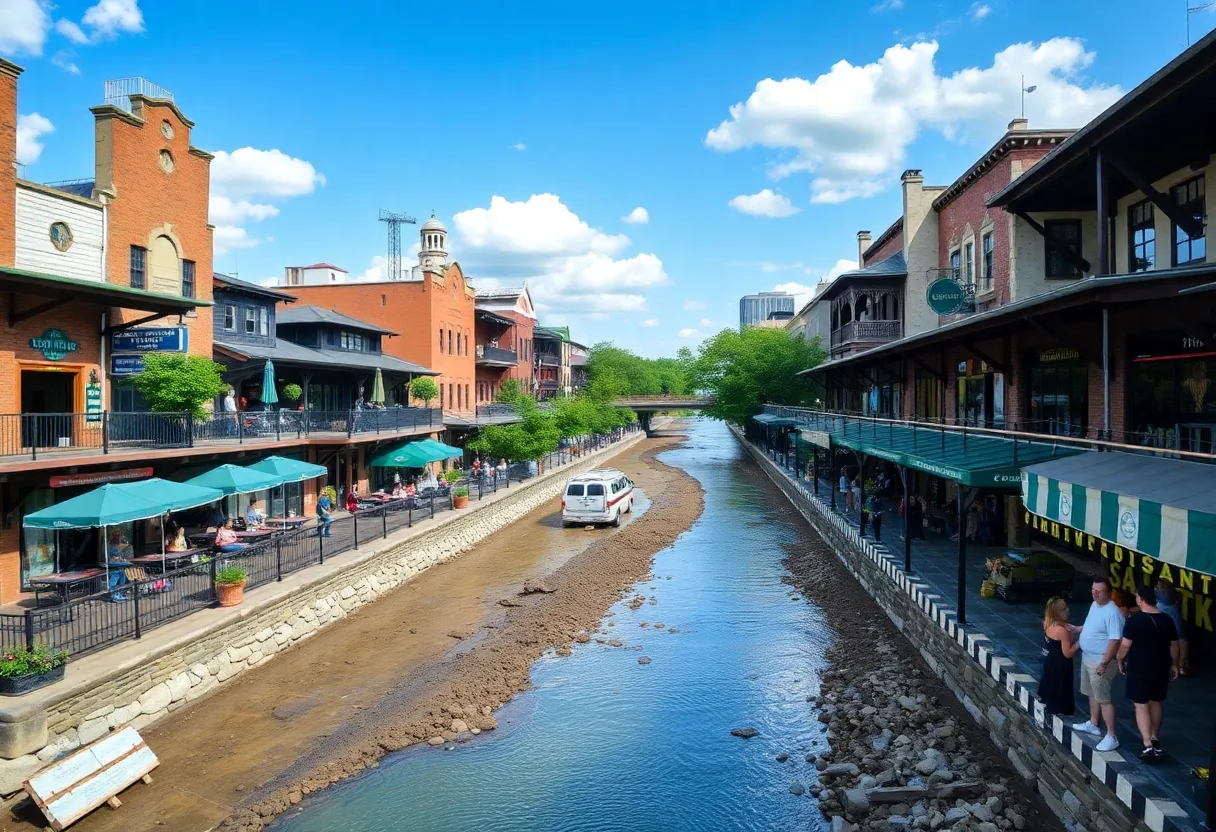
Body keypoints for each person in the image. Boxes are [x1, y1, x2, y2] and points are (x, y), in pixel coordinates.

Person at [1118, 584, 1179, 759]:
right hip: (1161, 667)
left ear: (1141, 599)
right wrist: (1174, 665)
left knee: (1141, 704)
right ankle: (1155, 738)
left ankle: (1147, 744)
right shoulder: (1167, 619)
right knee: (1156, 701)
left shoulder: (1135, 620)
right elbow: (1174, 645)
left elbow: (1125, 645)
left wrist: (1120, 659)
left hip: (1140, 666)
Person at [1072, 576, 1125, 752]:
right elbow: (1091, 626)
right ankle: (1093, 723)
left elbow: (1115, 640)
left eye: (1099, 591)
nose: (1095, 593)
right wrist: (1076, 629)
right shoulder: (1094, 605)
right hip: (1088, 656)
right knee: (1090, 692)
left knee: (1103, 698)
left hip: (1100, 659)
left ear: (1108, 592)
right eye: (1093, 590)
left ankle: (1111, 735)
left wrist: (1104, 662)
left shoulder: (1112, 612)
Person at [1039, 596, 1079, 716]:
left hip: (1050, 661)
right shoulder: (1061, 631)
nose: (1068, 610)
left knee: (1051, 684)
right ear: (1057, 612)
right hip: (1061, 664)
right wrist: (1079, 643)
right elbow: (1068, 653)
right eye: (1064, 609)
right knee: (1060, 687)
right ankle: (1059, 709)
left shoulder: (1047, 623)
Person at [1155, 579, 1189, 677]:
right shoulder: (1175, 596)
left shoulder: (1160, 597)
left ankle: (1175, 665)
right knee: (1181, 637)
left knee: (1172, 641)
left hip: (1166, 620)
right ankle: (1182, 665)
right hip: (1176, 617)